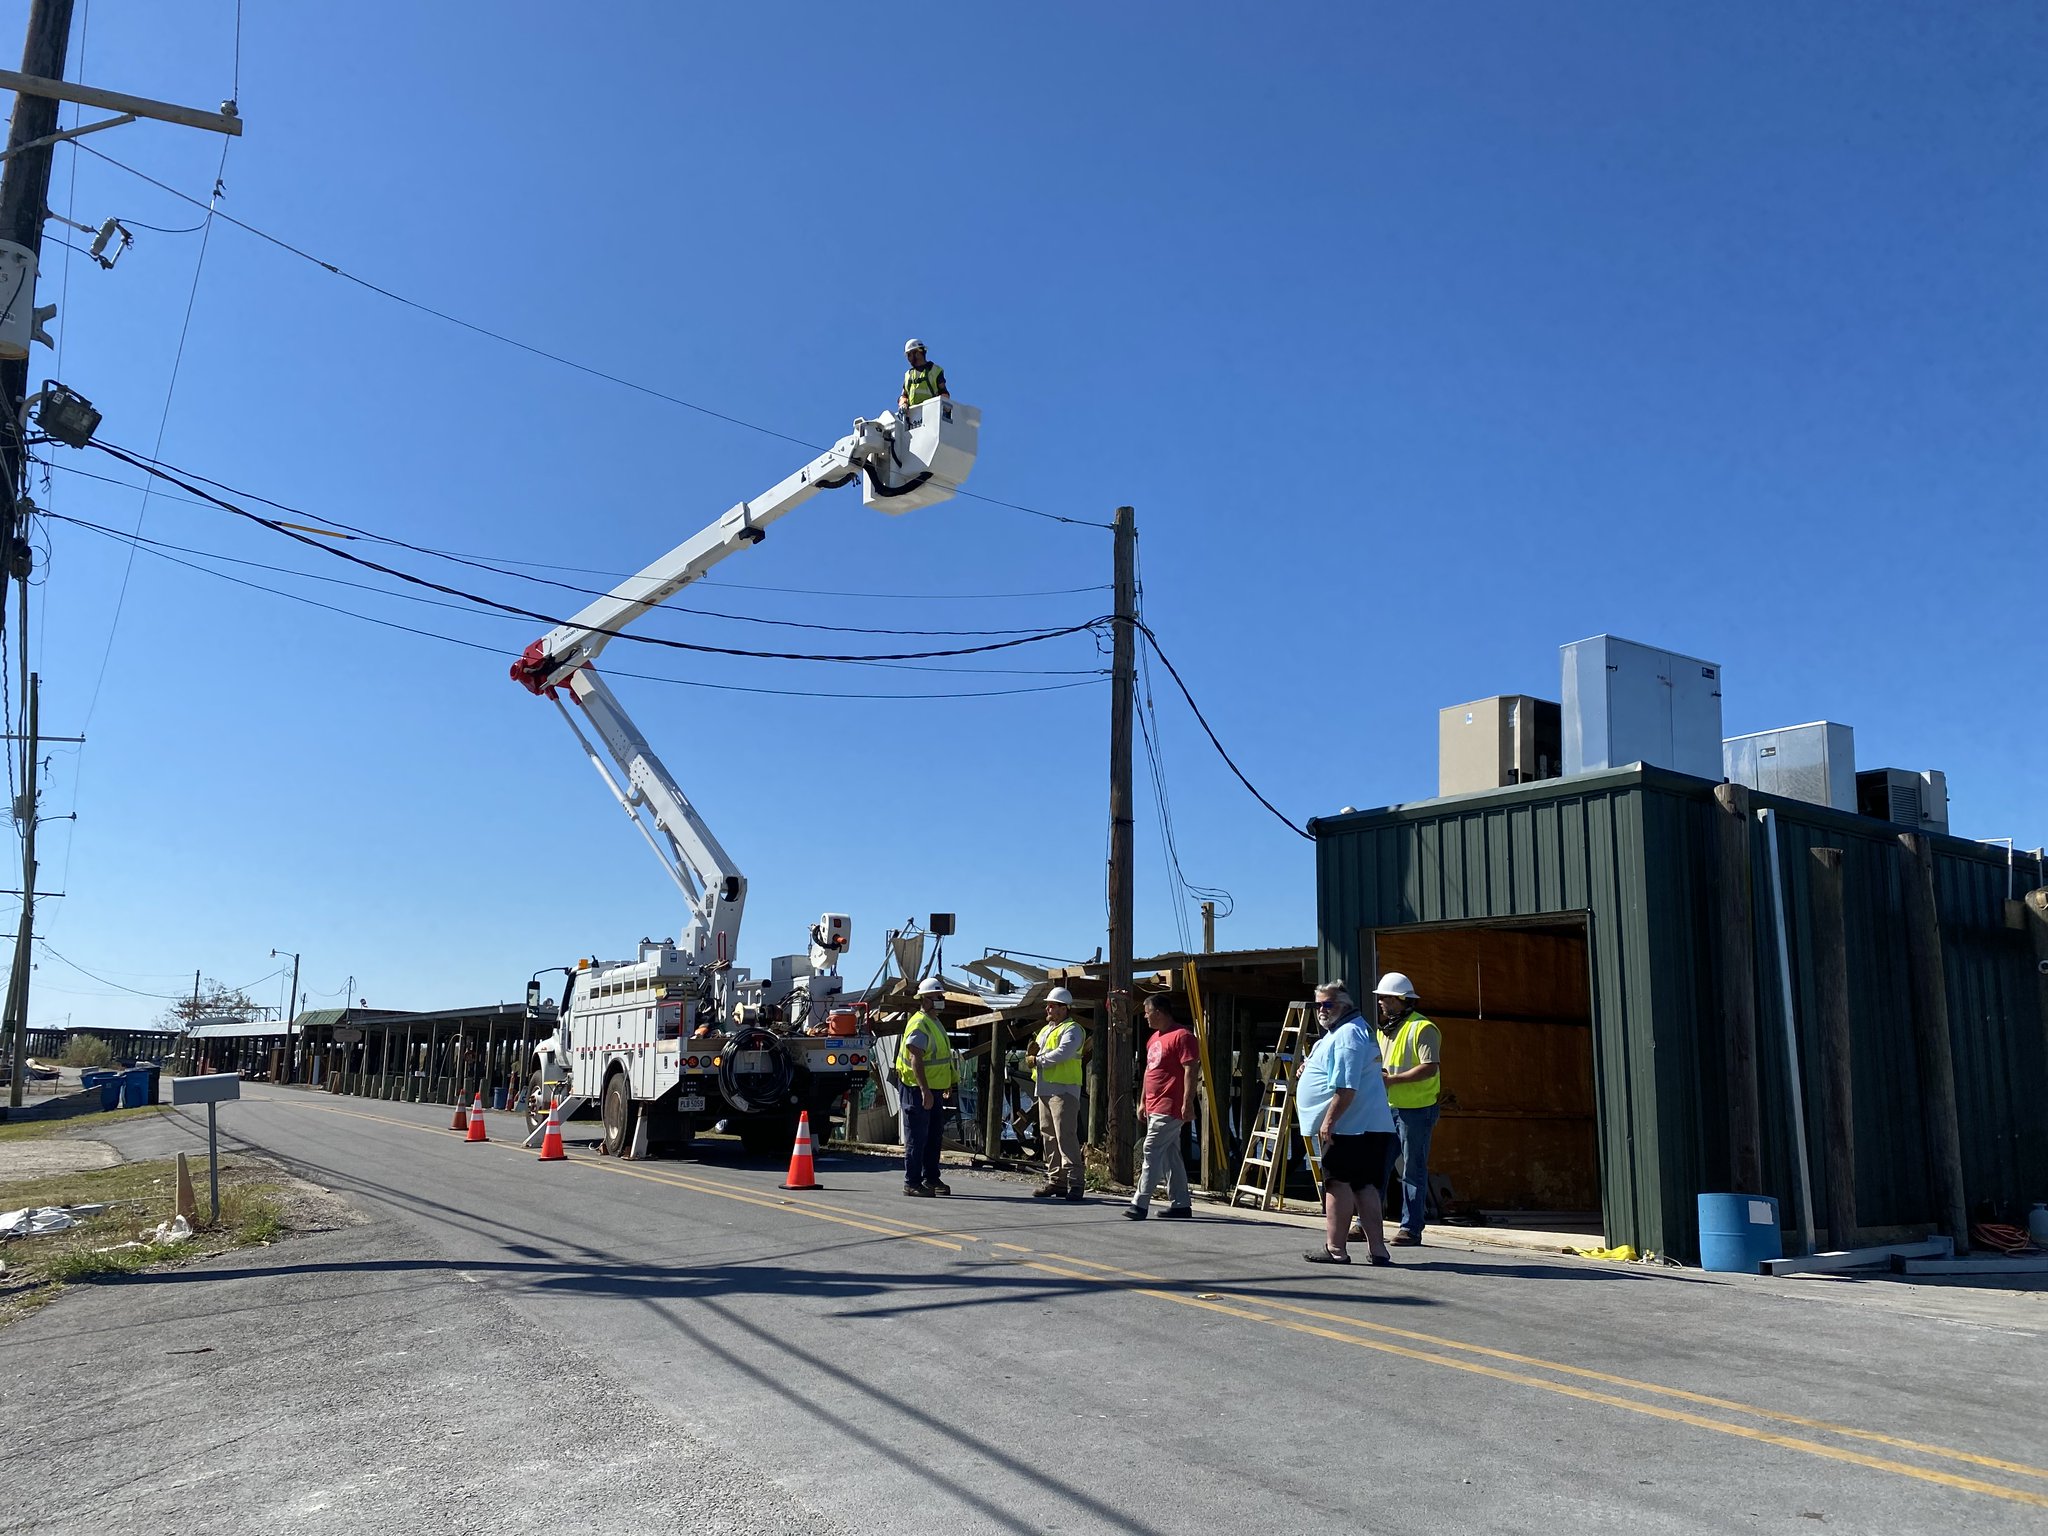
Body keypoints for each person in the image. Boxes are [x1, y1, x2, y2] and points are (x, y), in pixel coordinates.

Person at [1296, 981, 1394, 1265]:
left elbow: (1347, 1087)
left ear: (1345, 1005)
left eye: (1328, 1004)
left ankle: (1336, 1249)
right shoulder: (1349, 1030)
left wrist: (1329, 1121)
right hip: (1366, 1124)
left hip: (1350, 1126)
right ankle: (1378, 1249)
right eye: (1318, 1005)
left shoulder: (1348, 1035)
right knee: (1365, 1186)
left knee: (1337, 1184)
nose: (1321, 1011)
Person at [1375, 971, 1441, 1246]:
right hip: (1387, 1108)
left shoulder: (1422, 1028)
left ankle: (1411, 1229)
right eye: (1380, 998)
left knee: (1412, 1170)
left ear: (1401, 999)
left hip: (1415, 1109)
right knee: (1376, 1168)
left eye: (1386, 998)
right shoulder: (1386, 1030)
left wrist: (1392, 1081)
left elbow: (1429, 1067)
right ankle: (1365, 1222)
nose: (1381, 1002)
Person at [1125, 993, 1199, 1221]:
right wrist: (1142, 1101)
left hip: (1170, 1103)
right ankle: (1181, 1204)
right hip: (1154, 1104)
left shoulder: (1183, 1036)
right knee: (1169, 1155)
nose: (1145, 1017)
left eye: (1147, 1013)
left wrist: (1187, 1102)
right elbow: (1149, 1071)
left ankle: (1140, 1203)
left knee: (1151, 1149)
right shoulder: (1153, 1039)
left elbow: (1190, 1069)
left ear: (1158, 1012)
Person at [896, 976, 956, 1198]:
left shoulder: (934, 1022)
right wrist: (925, 1091)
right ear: (925, 999)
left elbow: (941, 1059)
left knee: (933, 1136)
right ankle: (912, 1182)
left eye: (941, 996)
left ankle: (931, 1177)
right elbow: (916, 1060)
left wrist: (948, 1082)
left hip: (934, 1089)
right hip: (917, 1089)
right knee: (917, 1136)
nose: (941, 1000)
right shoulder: (920, 1023)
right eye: (937, 997)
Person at [1027, 986, 1087, 1202]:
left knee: (1065, 1136)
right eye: (1048, 1005)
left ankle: (1075, 1182)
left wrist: (1037, 1061)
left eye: (1052, 1005)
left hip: (1064, 1089)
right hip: (1045, 1089)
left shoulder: (1073, 1029)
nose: (1048, 1008)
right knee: (1049, 1135)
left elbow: (1063, 1053)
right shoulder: (1046, 1030)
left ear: (1063, 1008)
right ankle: (1057, 1181)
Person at [898, 339, 949, 409]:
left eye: (909, 355)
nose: (908, 359)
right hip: (913, 415)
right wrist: (903, 404)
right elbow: (903, 396)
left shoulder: (935, 371)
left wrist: (942, 407)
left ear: (918, 353)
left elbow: (944, 393)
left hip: (931, 412)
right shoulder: (908, 375)